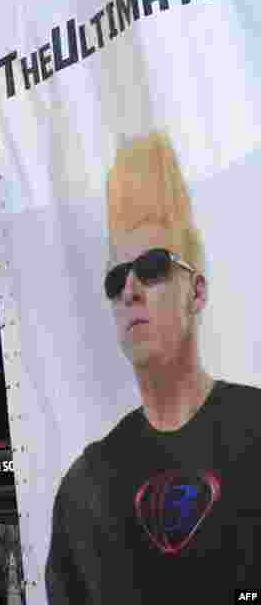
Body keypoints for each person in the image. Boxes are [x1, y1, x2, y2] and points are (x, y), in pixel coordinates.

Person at [45, 132, 261, 604]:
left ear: (197, 292)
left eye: (153, 266)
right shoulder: (85, 486)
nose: (130, 289)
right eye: (116, 277)